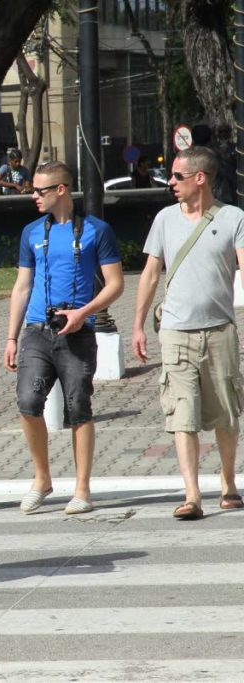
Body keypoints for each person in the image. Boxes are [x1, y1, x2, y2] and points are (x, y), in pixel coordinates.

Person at [4, 161, 124, 514]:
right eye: (33, 189)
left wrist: (82, 313)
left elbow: (115, 284)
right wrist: (10, 338)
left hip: (78, 330)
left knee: (78, 408)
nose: (34, 196)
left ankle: (82, 488)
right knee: (28, 402)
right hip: (37, 331)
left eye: (40, 190)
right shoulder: (30, 232)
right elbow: (22, 286)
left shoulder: (96, 230)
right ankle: (42, 478)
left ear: (61, 190)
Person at [131, 146, 244, 519]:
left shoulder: (233, 218)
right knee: (182, 414)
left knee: (226, 413)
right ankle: (192, 495)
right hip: (176, 332)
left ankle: (228, 484)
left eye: (178, 176)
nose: (171, 183)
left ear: (200, 178)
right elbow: (150, 273)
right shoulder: (164, 219)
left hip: (220, 331)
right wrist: (137, 325)